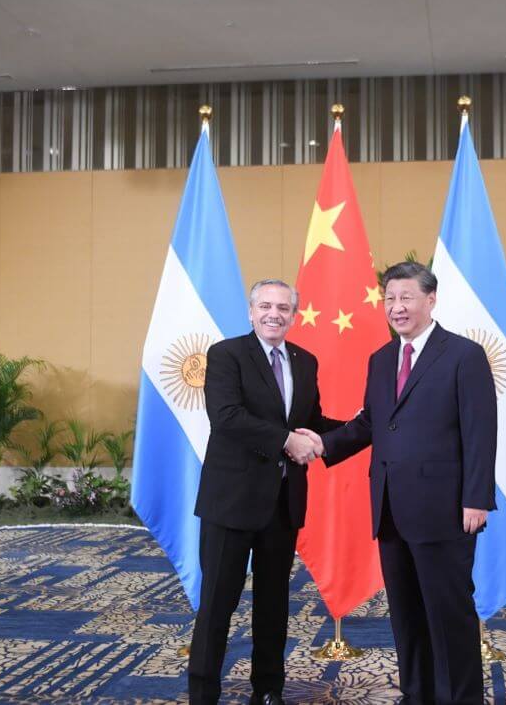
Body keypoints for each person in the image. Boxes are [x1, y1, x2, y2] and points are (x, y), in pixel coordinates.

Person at [297, 261, 497, 705]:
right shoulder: (383, 359)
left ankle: (461, 698)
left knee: (449, 613)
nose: (397, 307)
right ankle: (417, 694)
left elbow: (480, 431)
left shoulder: (463, 355)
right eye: (389, 298)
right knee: (406, 614)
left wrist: (476, 498)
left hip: (446, 509)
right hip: (389, 507)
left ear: (431, 299)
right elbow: (373, 421)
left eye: (406, 297)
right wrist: (323, 444)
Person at [188, 279, 339, 705]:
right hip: (230, 503)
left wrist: (364, 427)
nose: (275, 314)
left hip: (282, 504)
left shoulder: (305, 361)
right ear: (251, 312)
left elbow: (311, 421)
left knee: (273, 608)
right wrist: (284, 441)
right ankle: (203, 695)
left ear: (294, 314)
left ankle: (268, 691)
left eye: (284, 308)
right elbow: (227, 416)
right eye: (266, 306)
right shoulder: (226, 354)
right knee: (217, 606)